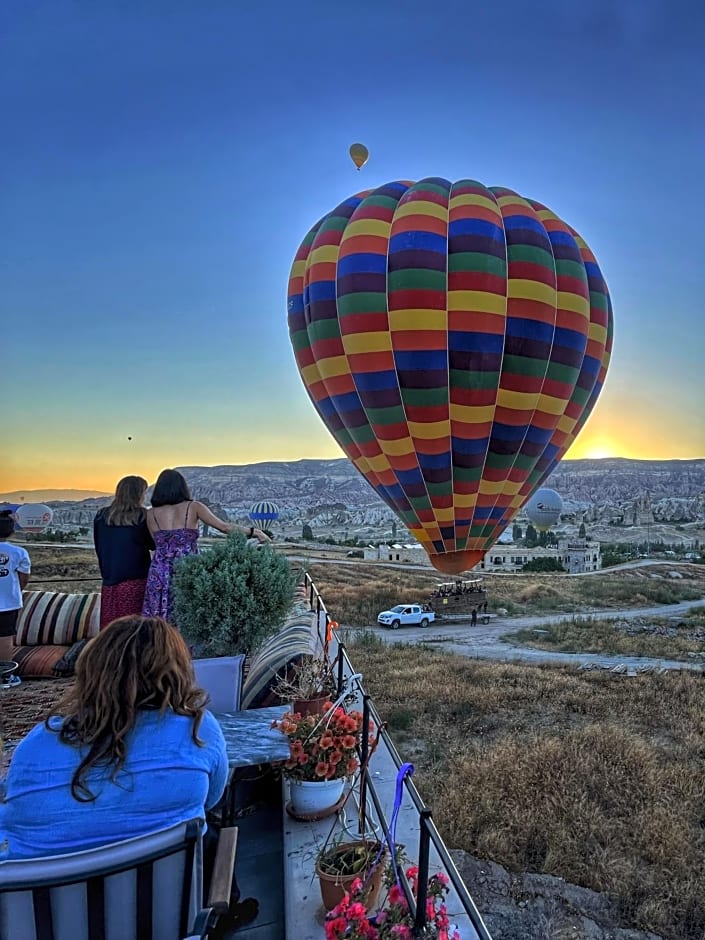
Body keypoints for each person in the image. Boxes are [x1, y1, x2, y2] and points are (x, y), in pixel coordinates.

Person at [0, 616, 228, 859]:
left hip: (40, 893)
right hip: (165, 893)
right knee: (213, 834)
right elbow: (212, 799)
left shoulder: (38, 744)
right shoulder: (197, 731)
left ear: (91, 669)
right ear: (178, 671)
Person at [142, 468, 270, 622]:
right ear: (182, 487)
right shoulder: (194, 507)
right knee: (189, 616)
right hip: (188, 567)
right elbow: (224, 527)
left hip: (160, 571)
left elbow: (157, 545)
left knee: (158, 618)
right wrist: (254, 531)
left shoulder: (150, 514)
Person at [93, 475, 155, 628]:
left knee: (112, 629)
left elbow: (99, 544)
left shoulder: (102, 515)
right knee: (135, 629)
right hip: (136, 581)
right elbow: (153, 544)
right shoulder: (142, 516)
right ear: (138, 494)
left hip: (110, 582)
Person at [0, 510, 31, 644]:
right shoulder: (19, 552)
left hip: (9, 603)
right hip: (8, 603)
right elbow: (23, 579)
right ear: (12, 532)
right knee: (5, 638)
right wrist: (17, 591)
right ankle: (7, 665)